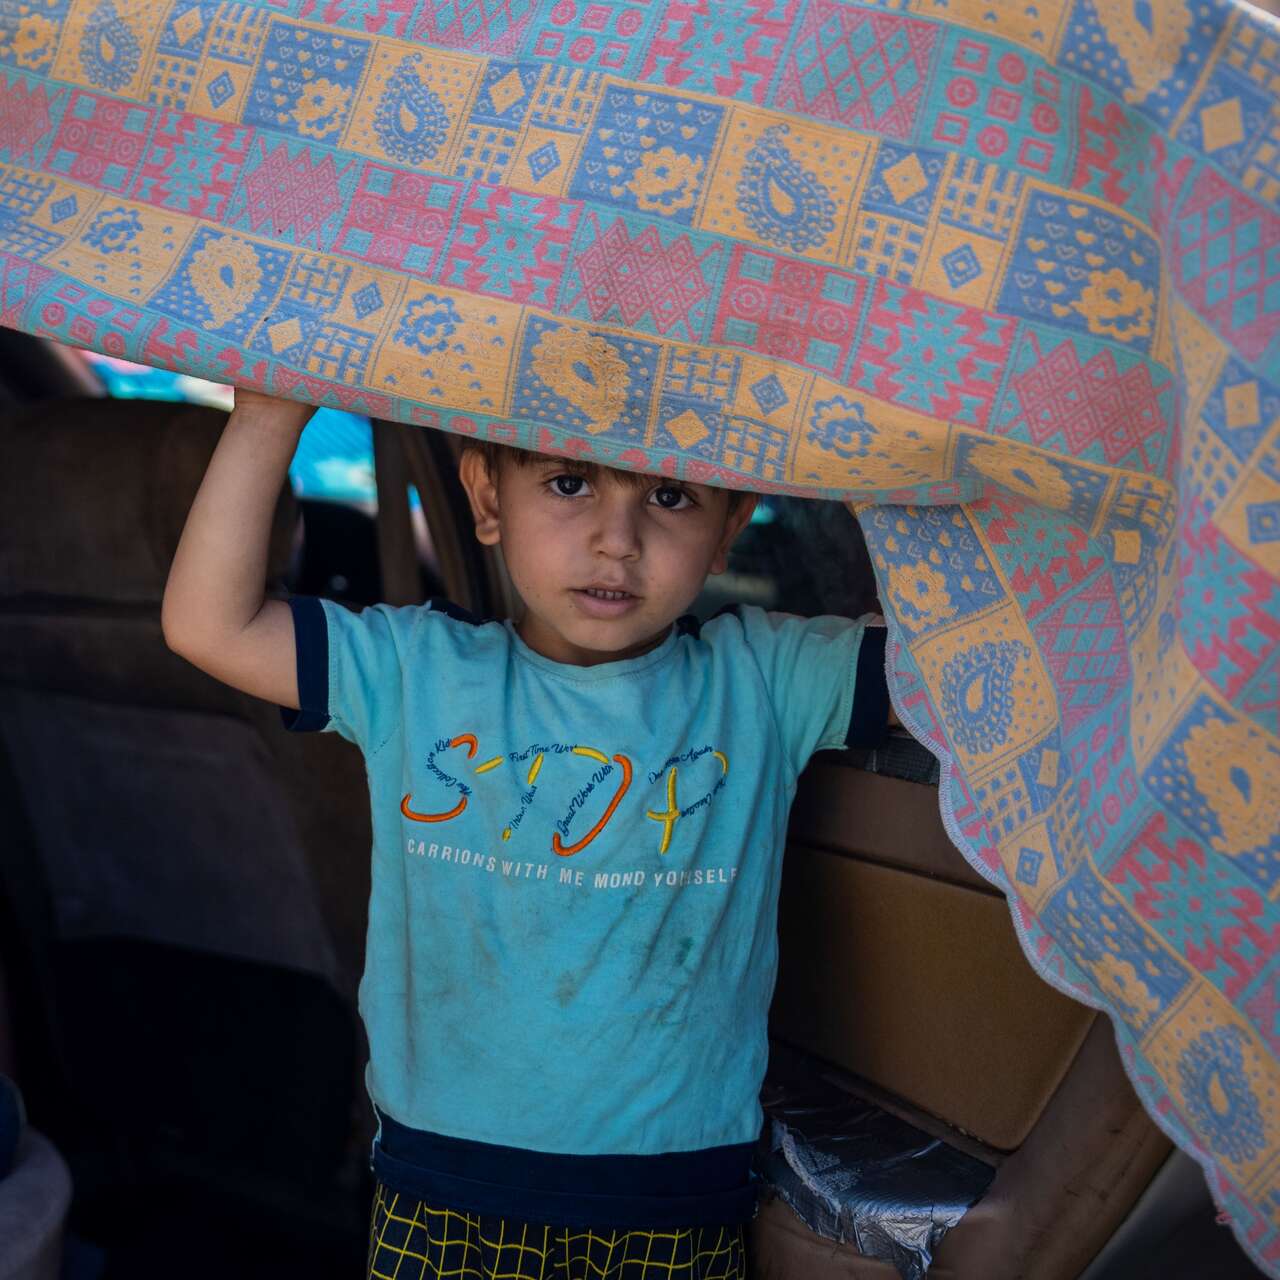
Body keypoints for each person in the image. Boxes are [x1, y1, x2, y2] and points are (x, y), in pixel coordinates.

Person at [162, 389, 891, 1280]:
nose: (618, 540)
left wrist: (874, 447)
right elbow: (208, 623)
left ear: (731, 524)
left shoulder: (768, 679)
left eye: (670, 498)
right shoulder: (413, 670)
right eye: (570, 483)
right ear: (486, 499)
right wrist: (272, 413)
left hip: (673, 1204)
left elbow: (962, 659)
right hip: (441, 1191)